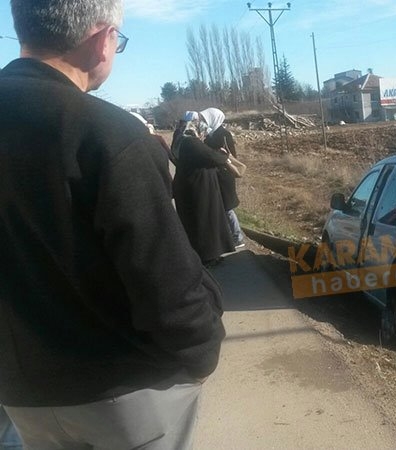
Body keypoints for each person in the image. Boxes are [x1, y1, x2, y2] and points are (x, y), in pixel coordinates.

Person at [0, 2, 226, 449]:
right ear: (102, 40)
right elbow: (166, 282)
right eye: (118, 42)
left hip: (22, 393)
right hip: (124, 393)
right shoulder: (109, 134)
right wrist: (203, 349)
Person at [173, 119, 236, 265]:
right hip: (197, 191)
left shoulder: (185, 141)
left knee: (204, 222)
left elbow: (205, 154)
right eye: (203, 132)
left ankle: (211, 254)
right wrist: (225, 156)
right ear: (197, 130)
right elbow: (211, 157)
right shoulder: (192, 143)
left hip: (193, 188)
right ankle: (206, 257)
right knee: (204, 222)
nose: (204, 136)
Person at [200, 107, 245, 248]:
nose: (203, 122)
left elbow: (232, 156)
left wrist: (218, 157)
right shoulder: (209, 135)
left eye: (205, 119)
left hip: (224, 175)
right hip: (215, 174)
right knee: (220, 205)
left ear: (214, 119)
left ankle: (238, 237)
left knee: (227, 207)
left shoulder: (224, 134)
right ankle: (228, 235)